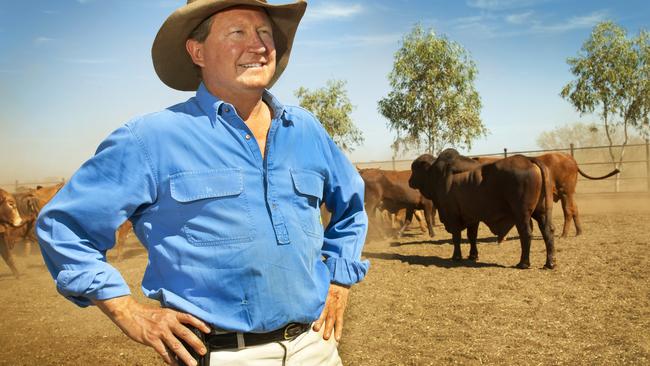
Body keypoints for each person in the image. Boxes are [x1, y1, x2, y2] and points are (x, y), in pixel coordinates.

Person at [35, 0, 369, 365]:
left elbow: (351, 207)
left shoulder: (304, 129)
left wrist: (339, 280)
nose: (257, 45)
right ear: (197, 52)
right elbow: (64, 227)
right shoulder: (151, 139)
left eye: (264, 33)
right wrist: (128, 312)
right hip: (222, 356)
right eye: (237, 32)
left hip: (315, 348)